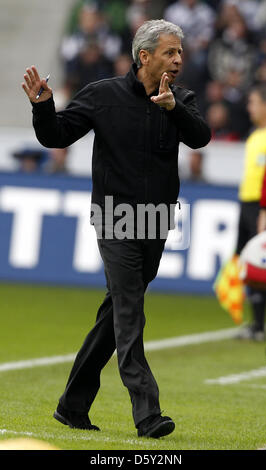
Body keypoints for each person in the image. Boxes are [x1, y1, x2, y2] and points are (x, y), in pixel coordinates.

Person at [22, 19, 211, 438]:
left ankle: (72, 406)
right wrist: (42, 106)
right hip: (114, 218)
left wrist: (174, 109)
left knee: (115, 313)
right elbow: (56, 136)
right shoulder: (101, 96)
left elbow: (200, 138)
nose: (178, 60)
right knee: (129, 310)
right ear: (144, 56)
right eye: (170, 52)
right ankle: (147, 413)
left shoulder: (182, 99)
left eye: (180, 53)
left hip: (157, 221)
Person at [235, 84, 266, 341]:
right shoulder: (254, 134)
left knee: (265, 263)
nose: (250, 107)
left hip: (264, 206)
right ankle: (258, 325)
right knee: (252, 263)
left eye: (254, 102)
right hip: (248, 203)